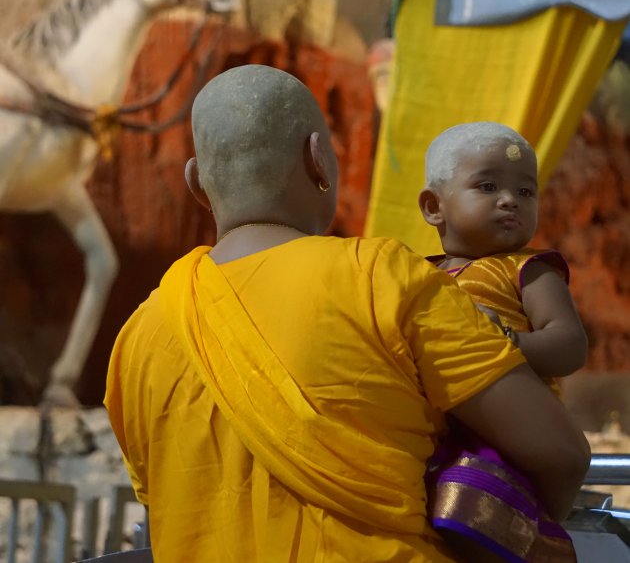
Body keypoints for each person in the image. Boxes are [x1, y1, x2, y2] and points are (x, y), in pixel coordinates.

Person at [104, 66, 590, 563]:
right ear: (318, 160)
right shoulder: (382, 276)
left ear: (196, 183)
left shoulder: (137, 337)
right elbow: (561, 455)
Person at [418, 121, 589, 560]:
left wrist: (505, 341)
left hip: (506, 431)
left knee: (477, 522)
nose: (510, 199)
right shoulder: (418, 274)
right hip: (435, 426)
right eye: (488, 185)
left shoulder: (528, 270)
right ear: (434, 206)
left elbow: (569, 344)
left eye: (526, 192)